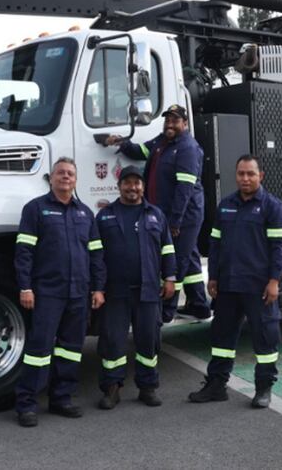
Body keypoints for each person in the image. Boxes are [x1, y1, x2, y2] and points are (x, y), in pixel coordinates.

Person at [188, 155, 282, 409]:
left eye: (250, 174)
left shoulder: (272, 207)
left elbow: (279, 247)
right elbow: (216, 244)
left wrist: (274, 281)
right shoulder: (225, 206)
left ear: (260, 176)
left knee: (265, 339)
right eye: (241, 173)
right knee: (221, 338)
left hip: (258, 287)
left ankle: (264, 389)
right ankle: (216, 386)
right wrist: (212, 277)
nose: (245, 178)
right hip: (229, 286)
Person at [14, 157, 106, 427]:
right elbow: (24, 253)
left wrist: (99, 288)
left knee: (71, 349)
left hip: (79, 293)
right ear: (51, 178)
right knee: (38, 350)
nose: (66, 177)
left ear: (76, 181)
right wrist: (25, 287)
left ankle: (61, 398)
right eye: (61, 173)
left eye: (70, 174)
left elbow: (97, 255)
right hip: (47, 293)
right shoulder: (35, 209)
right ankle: (27, 404)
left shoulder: (85, 214)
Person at [106, 104, 209, 322]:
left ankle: (166, 312)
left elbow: (184, 189)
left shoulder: (187, 148)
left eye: (175, 120)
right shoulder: (162, 142)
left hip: (183, 215)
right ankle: (199, 305)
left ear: (185, 123)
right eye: (167, 120)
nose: (170, 124)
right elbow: (142, 151)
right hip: (167, 214)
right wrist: (121, 142)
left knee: (177, 261)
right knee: (189, 257)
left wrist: (175, 222)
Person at [94, 166, 177, 410]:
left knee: (148, 341)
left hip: (148, 290)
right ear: (119, 186)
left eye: (137, 183)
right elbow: (96, 257)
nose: (133, 187)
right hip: (115, 291)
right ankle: (112, 388)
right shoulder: (105, 216)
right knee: (112, 341)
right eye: (127, 183)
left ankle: (147, 387)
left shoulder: (156, 215)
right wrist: (98, 287)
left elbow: (168, 249)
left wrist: (170, 278)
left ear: (142, 187)